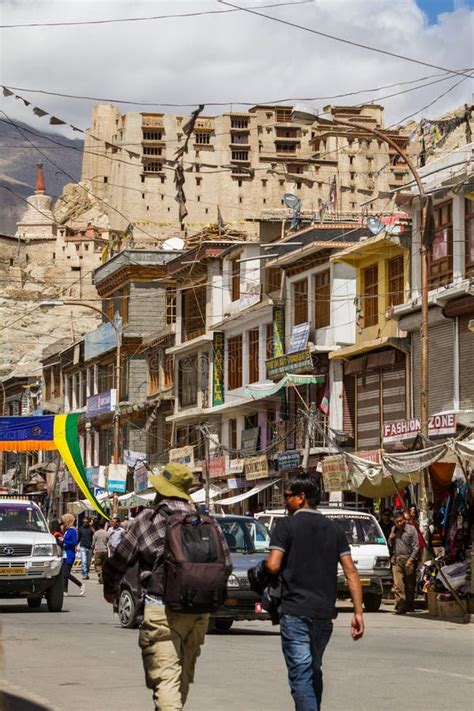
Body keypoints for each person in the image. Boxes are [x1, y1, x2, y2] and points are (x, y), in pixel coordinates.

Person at [102, 463, 232, 711]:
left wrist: (111, 588)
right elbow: (226, 564)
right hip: (198, 612)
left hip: (162, 608)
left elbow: (119, 559)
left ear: (161, 491)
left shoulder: (149, 519)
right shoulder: (206, 521)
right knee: (180, 678)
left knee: (165, 680)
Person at [265, 473, 364, 711]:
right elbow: (351, 572)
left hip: (295, 612)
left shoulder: (285, 526)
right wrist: (358, 612)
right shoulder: (334, 529)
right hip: (324, 615)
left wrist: (265, 569)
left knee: (301, 674)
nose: (284, 501)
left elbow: (273, 565)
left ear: (301, 497)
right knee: (312, 669)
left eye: (287, 496)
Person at [389, 510, 419, 614]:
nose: (399, 523)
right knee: (398, 584)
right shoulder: (394, 529)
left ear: (404, 520)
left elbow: (416, 547)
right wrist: (390, 538)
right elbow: (390, 545)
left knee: (409, 585)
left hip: (408, 559)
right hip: (397, 560)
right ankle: (401, 606)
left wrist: (411, 560)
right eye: (397, 522)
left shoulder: (412, 530)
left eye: (401, 521)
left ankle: (409, 605)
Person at [61, 514, 85, 596]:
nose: (63, 523)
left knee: (66, 573)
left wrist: (64, 540)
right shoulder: (67, 531)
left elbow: (74, 542)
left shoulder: (73, 531)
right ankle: (65, 590)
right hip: (64, 554)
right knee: (64, 573)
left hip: (70, 554)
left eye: (64, 522)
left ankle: (80, 585)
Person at [92, 519, 109, 584]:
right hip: (105, 550)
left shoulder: (96, 533)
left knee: (97, 564)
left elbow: (93, 543)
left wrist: (92, 549)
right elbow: (109, 542)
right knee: (104, 564)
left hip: (98, 550)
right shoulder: (106, 533)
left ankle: (100, 574)